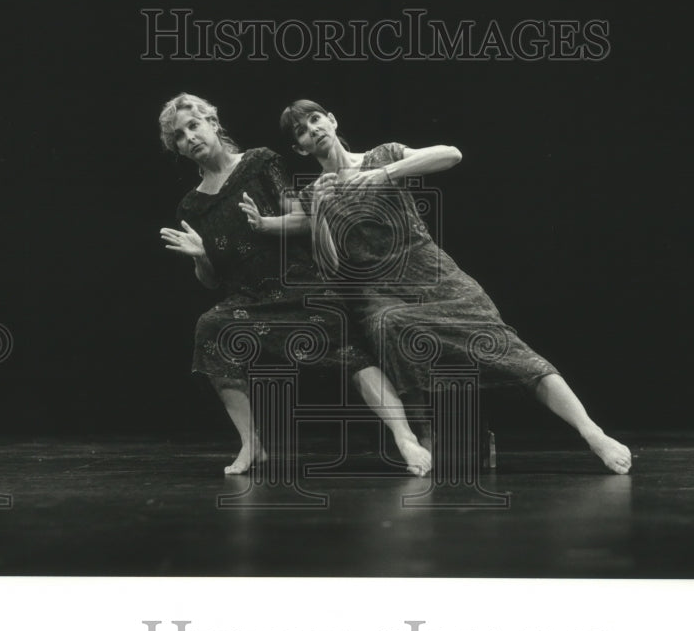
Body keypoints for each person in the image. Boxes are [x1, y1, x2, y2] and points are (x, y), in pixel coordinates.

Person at [247, 98, 632, 474]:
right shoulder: (314, 193)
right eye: (302, 131)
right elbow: (330, 263)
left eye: (315, 120)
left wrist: (384, 174)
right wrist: (322, 212)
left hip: (429, 269)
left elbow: (451, 153)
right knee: (389, 326)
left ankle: (592, 432)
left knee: (508, 347)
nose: (312, 130)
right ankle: (425, 435)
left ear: (331, 120)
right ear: (300, 148)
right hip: (376, 290)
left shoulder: (383, 155)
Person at [157, 93, 431, 476]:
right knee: (211, 328)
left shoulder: (259, 163)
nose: (190, 138)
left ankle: (404, 437)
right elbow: (211, 281)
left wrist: (264, 225)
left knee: (341, 340)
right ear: (179, 150)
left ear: (212, 123)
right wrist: (201, 255)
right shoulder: (192, 206)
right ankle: (252, 445)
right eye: (180, 137)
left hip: (300, 282)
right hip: (251, 298)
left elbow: (302, 220)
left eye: (193, 126)